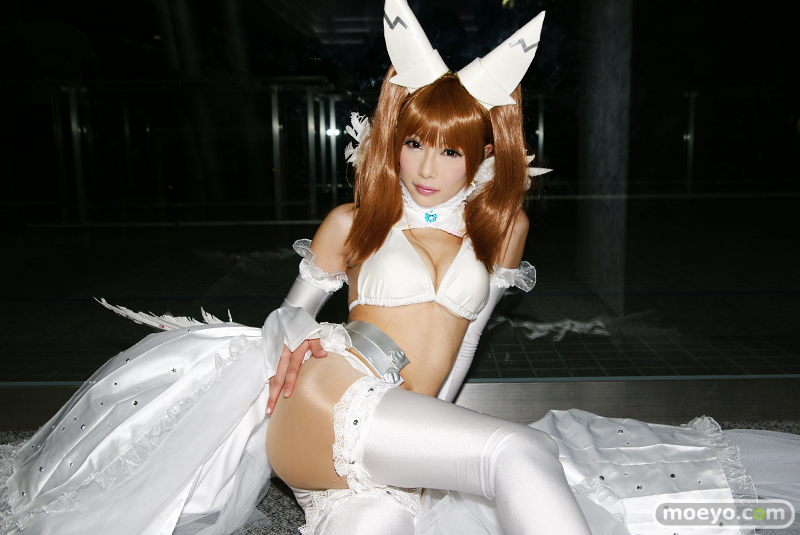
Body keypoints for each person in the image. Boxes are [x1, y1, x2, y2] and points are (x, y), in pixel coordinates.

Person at [3, 2, 799, 535]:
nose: (425, 165)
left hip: (388, 442)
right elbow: (290, 312)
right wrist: (295, 337)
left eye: (450, 150)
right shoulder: (354, 221)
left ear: (482, 153)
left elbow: (464, 346)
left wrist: (432, 455)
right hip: (330, 395)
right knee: (518, 455)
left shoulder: (504, 230)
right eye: (415, 142)